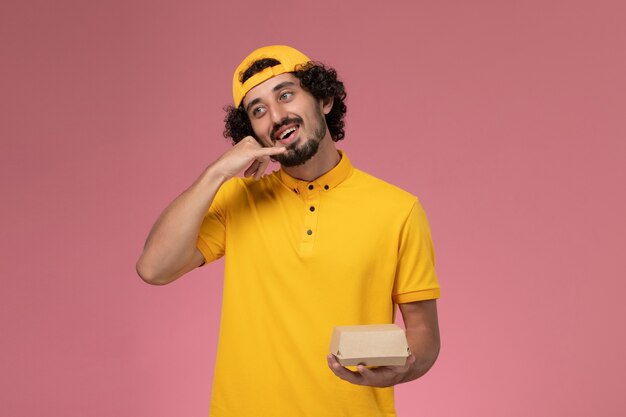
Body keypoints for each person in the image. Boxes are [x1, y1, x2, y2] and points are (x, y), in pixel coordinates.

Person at [136, 45, 441, 417]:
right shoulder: (237, 199)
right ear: (252, 132)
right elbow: (154, 268)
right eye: (258, 110)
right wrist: (216, 173)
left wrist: (403, 368)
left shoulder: (399, 209)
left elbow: (424, 335)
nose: (277, 116)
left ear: (324, 98)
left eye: (285, 94)